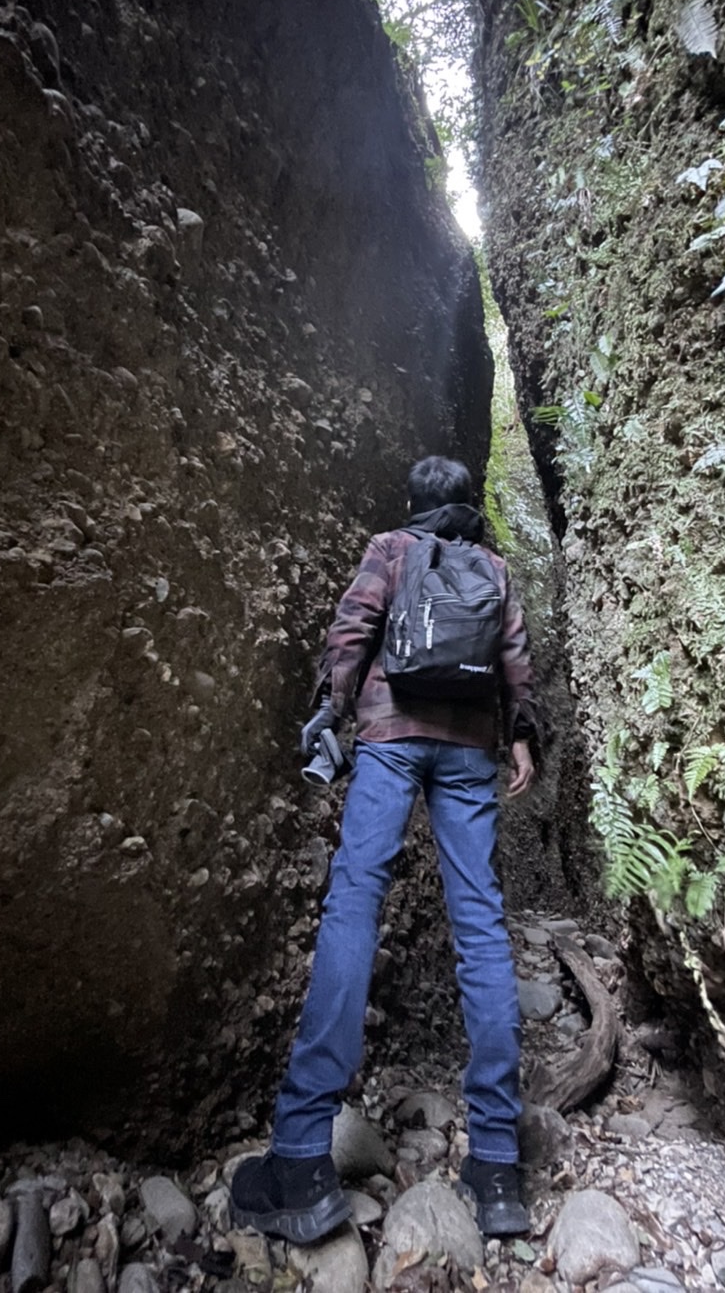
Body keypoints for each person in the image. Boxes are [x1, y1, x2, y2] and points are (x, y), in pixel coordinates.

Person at [230, 456, 538, 1244]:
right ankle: (499, 1167)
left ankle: (300, 1157)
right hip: (470, 749)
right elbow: (514, 658)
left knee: (352, 908)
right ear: (468, 505)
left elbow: (355, 628)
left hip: (390, 737)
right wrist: (523, 735)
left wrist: (332, 709)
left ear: (413, 502)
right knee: (481, 927)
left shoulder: (391, 547)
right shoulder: (493, 566)